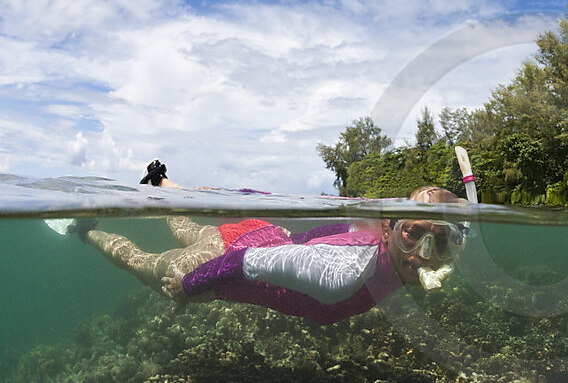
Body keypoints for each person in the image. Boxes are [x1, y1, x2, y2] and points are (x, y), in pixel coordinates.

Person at [77, 161, 467, 325]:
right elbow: (248, 261)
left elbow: (309, 238)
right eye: (413, 234)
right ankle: (85, 230)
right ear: (389, 229)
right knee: (142, 264)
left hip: (263, 233)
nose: (423, 256)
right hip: (232, 255)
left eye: (441, 241)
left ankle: (160, 183)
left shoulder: (366, 234)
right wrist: (189, 284)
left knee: (190, 229)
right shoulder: (344, 275)